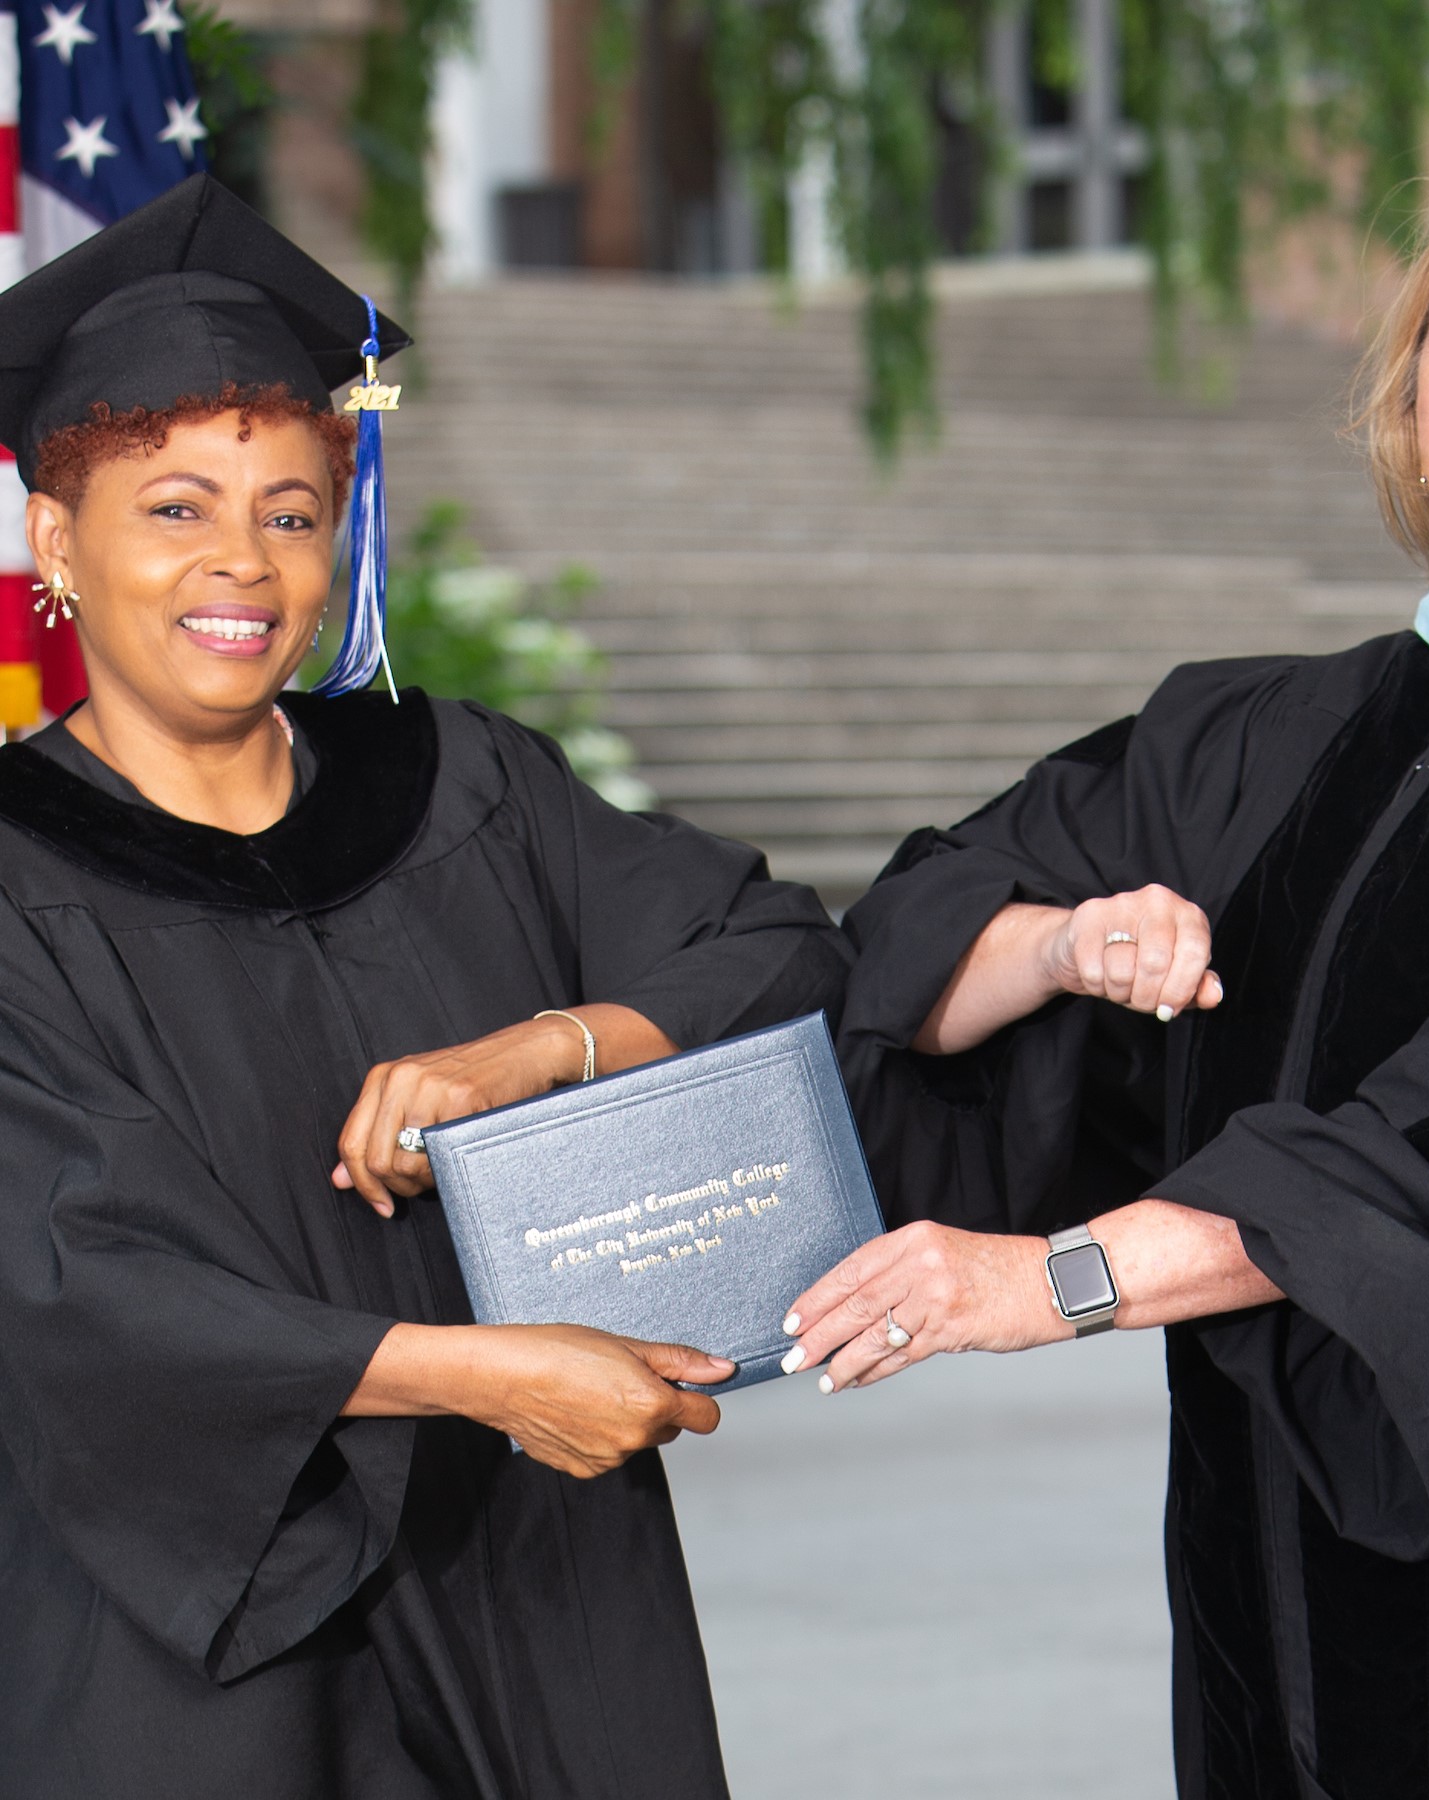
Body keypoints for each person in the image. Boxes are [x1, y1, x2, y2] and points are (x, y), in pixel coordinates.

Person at [785, 149, 1429, 1798]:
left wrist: (1052, 1280)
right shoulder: (1269, 733)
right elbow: (913, 937)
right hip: (1259, 1576)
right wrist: (1067, 946)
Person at [0, 175, 848, 1798]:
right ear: (57, 540)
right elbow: (66, 1286)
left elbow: (773, 949)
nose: (240, 562)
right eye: (171, 506)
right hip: (190, 1639)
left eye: (292, 509)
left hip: (534, 1576)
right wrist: (479, 1372)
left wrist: (540, 1048)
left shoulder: (465, 785)